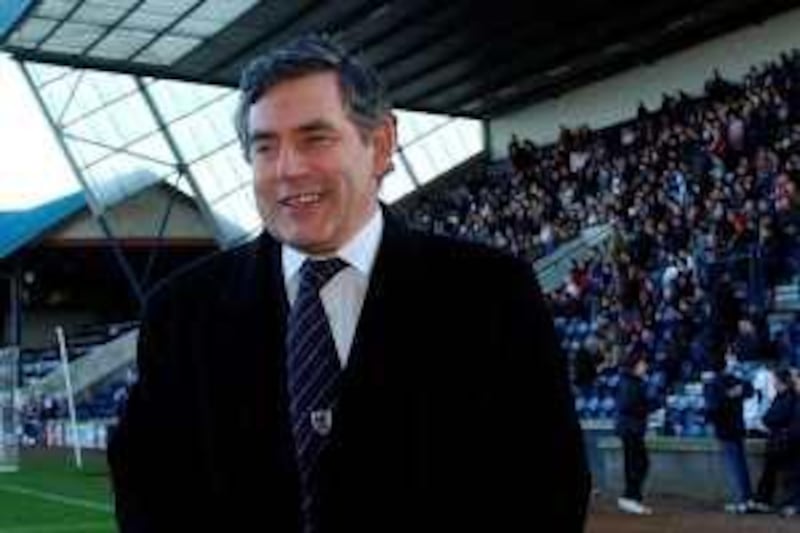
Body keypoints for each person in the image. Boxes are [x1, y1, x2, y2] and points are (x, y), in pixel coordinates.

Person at [107, 34, 590, 533]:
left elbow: (547, 487)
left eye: (315, 139)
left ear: (379, 145)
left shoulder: (490, 293)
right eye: (265, 146)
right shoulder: (182, 310)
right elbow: (149, 489)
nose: (287, 169)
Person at [703, 349, 756, 514]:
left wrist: (730, 394)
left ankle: (743, 500)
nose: (731, 360)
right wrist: (731, 394)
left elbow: (749, 389)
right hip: (733, 427)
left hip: (728, 428)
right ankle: (746, 499)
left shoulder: (721, 381)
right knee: (739, 465)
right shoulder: (722, 381)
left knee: (735, 466)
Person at [615, 350, 658, 515]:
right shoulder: (629, 382)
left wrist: (647, 406)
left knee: (636, 464)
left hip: (632, 428)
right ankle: (630, 497)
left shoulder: (633, 381)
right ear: (635, 365)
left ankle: (631, 497)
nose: (645, 366)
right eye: (642, 363)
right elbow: (628, 405)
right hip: (630, 428)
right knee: (638, 464)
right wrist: (647, 407)